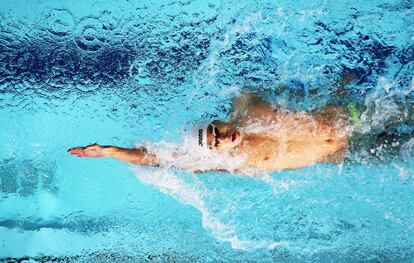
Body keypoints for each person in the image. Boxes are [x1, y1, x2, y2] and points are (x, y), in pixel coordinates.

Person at [68, 91, 352, 173]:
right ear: (215, 154)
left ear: (218, 120)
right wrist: (111, 151)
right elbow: (158, 158)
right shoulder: (233, 161)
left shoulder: (247, 105)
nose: (224, 137)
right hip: (350, 154)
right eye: (216, 143)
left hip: (356, 117)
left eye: (217, 129)